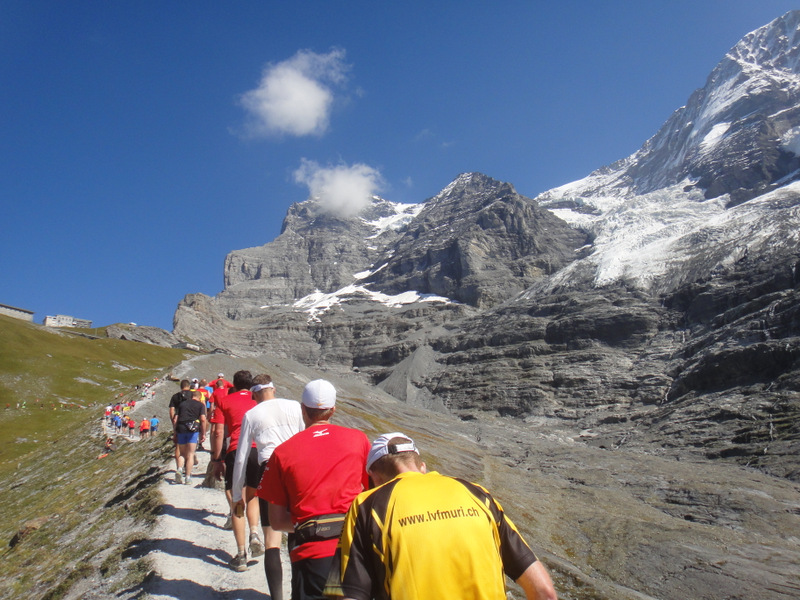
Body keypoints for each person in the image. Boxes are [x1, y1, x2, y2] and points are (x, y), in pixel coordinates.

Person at [332, 433, 558, 600]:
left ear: (373, 477)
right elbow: (543, 592)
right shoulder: (476, 494)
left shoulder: (367, 505)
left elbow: (350, 594)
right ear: (422, 467)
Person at [259, 379, 370, 600]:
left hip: (310, 554)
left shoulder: (282, 453)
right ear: (333, 410)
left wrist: (308, 523)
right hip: (355, 551)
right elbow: (372, 495)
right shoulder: (359, 440)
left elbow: (278, 521)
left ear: (303, 410)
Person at [232, 374, 304, 600]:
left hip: (269, 469)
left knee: (271, 538)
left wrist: (237, 495)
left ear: (254, 393)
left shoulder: (252, 414)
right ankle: (300, 594)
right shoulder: (294, 406)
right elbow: (306, 438)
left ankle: (277, 597)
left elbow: (242, 457)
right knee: (299, 532)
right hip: (296, 470)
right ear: (274, 388)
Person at [210, 370, 264, 571]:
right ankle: (255, 534)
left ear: (233, 383)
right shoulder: (257, 401)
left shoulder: (225, 401)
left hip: (235, 451)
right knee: (253, 496)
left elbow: (218, 432)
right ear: (251, 386)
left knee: (236, 500)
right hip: (256, 451)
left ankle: (241, 555)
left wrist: (217, 459)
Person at [173, 389, 207, 484]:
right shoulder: (200, 405)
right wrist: (203, 433)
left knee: (182, 454)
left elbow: (176, 419)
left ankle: (179, 469)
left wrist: (175, 432)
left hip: (181, 428)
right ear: (199, 397)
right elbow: (203, 419)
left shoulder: (182, 404)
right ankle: (187, 477)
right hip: (193, 430)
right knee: (190, 454)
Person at [169, 379, 193, 478]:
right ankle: (188, 469)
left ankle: (179, 467)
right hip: (192, 422)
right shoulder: (193, 395)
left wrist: (173, 423)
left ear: (181, 386)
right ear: (189, 386)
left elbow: (171, 410)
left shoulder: (175, 396)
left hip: (180, 422)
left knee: (178, 445)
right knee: (190, 447)